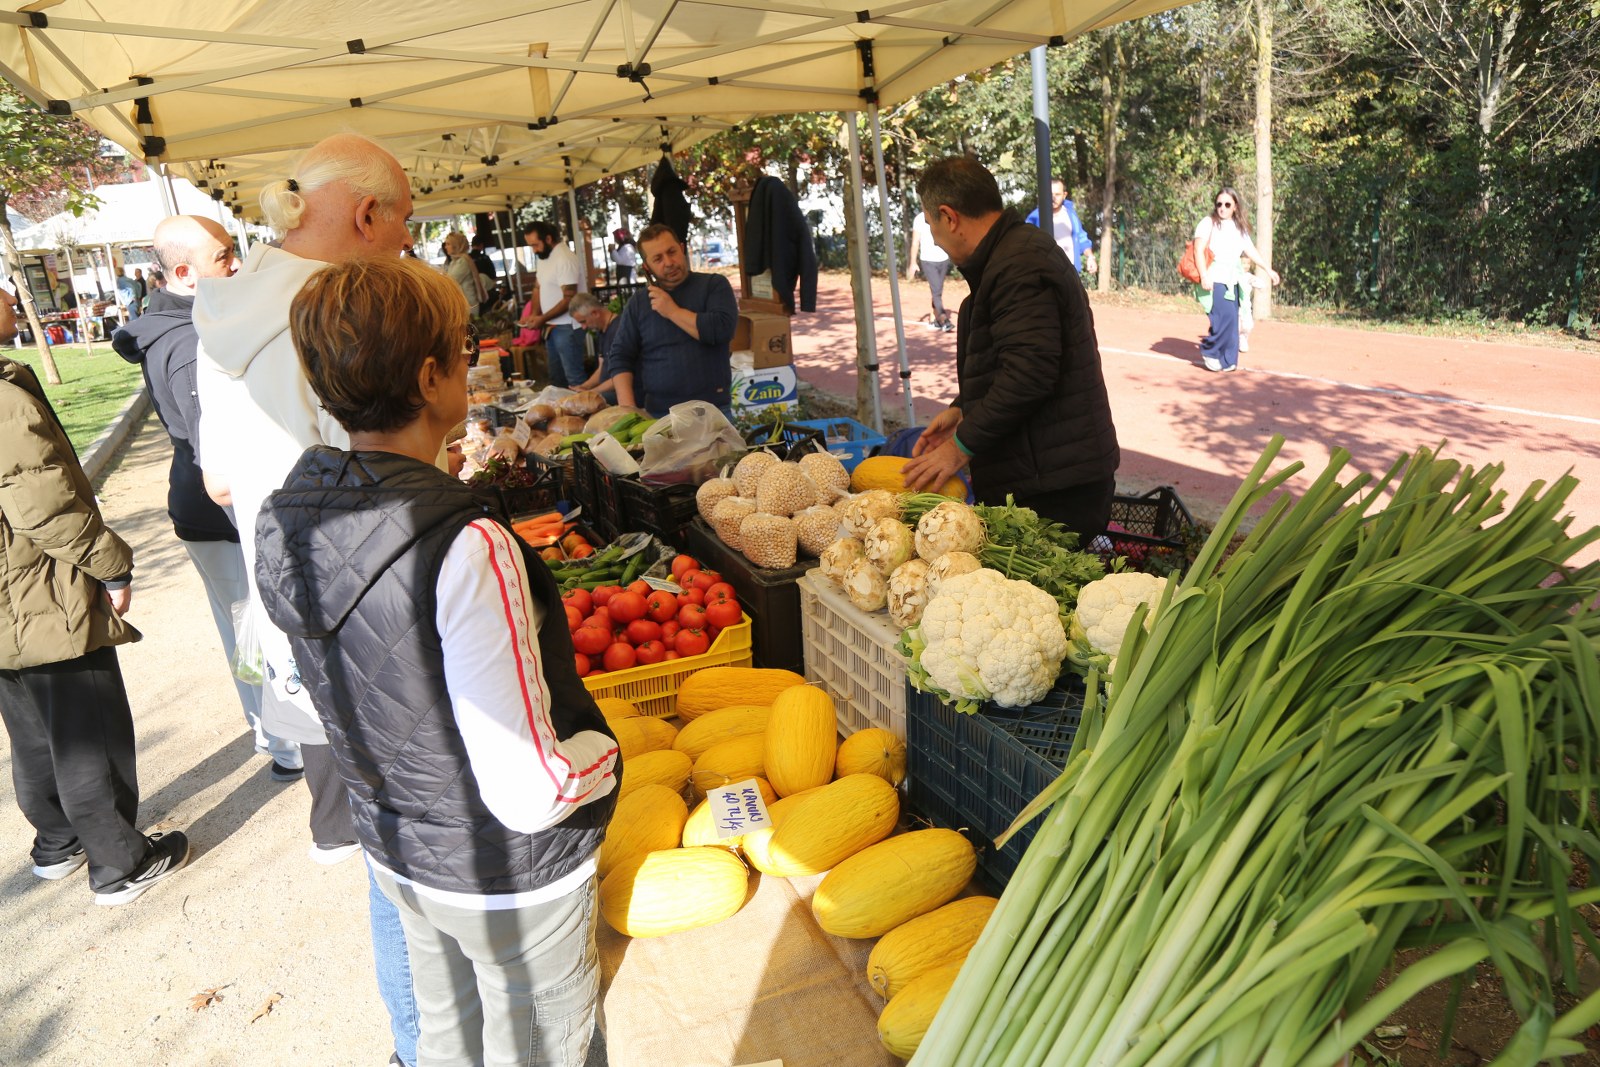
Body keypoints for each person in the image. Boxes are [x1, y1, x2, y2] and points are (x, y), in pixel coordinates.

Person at [255, 255, 619, 1066]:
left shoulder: (286, 515)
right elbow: (531, 790)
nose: (471, 362)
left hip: (402, 857)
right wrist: (607, 754)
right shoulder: (467, 543)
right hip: (508, 876)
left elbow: (346, 697)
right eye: (462, 352)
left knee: (449, 1046)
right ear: (429, 378)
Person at [192, 132, 422, 1067]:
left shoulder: (229, 307)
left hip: (298, 611)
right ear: (367, 215)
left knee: (386, 845)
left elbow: (219, 479)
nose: (406, 246)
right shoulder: (331, 314)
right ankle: (427, 1044)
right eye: (405, 226)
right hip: (364, 624)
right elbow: (372, 481)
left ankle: (421, 1040)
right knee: (407, 855)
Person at [0, 297, 192, 906]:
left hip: (10, 602)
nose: (12, 297)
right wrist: (112, 565)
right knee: (89, 730)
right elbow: (44, 508)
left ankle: (58, 842)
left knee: (31, 728)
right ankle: (120, 861)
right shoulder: (2, 400)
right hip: (42, 591)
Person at [111, 215, 303, 782]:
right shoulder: (189, 344)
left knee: (242, 626)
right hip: (221, 513)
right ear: (183, 273)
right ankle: (285, 739)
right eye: (224, 257)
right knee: (254, 627)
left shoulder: (181, 325)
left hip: (207, 509)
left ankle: (274, 734)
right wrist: (253, 526)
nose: (237, 264)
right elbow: (211, 453)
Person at [901, 156, 1120, 540]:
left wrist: (961, 446)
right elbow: (1009, 359)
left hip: (1055, 486)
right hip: (1043, 473)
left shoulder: (1019, 263)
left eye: (930, 222)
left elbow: (1029, 373)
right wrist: (962, 408)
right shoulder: (1008, 256)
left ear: (949, 217)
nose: (933, 237)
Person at [605, 223, 738, 416]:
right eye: (658, 258)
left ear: (682, 249)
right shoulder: (639, 303)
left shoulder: (713, 285)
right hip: (659, 413)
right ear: (646, 267)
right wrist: (629, 409)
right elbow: (620, 355)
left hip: (712, 411)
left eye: (672, 252)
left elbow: (720, 330)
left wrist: (672, 311)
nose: (668, 262)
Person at [1192, 187, 1279, 373]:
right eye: (1219, 204)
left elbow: (1250, 250)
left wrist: (1267, 270)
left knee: (1232, 321)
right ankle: (1210, 351)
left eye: (1227, 204)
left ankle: (1228, 360)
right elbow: (1198, 249)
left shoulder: (1239, 228)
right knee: (1222, 318)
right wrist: (1204, 276)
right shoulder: (1208, 223)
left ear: (1235, 207)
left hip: (1233, 280)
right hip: (1215, 278)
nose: (1222, 208)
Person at [520, 220, 586, 388]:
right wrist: (534, 314)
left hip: (567, 327)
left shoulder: (564, 258)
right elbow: (537, 287)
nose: (534, 250)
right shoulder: (544, 257)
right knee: (557, 381)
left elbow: (569, 298)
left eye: (535, 245)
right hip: (552, 327)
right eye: (531, 246)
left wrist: (541, 318)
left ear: (548, 239)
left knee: (575, 380)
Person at [1025, 177, 1098, 276]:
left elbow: (1082, 239)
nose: (1053, 198)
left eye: (1057, 194)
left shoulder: (1071, 216)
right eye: (1050, 194)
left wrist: (1090, 257)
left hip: (1071, 273)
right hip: (1045, 274)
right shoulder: (1035, 218)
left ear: (1064, 195)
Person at [907, 211, 955, 332]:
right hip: (928, 260)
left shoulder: (942, 217)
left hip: (943, 259)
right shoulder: (918, 219)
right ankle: (944, 319)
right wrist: (913, 262)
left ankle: (935, 320)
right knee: (936, 290)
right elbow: (915, 242)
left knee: (938, 291)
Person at [567, 291, 619, 401]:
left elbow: (622, 375)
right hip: (609, 390)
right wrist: (584, 387)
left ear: (595, 313)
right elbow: (602, 368)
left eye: (583, 321)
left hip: (621, 392)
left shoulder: (619, 330)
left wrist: (592, 392)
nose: (583, 327)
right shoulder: (602, 330)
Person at [439, 231, 484, 312]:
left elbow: (450, 281)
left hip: (468, 306)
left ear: (456, 246)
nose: (445, 247)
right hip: (463, 305)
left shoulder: (463, 261)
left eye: (448, 244)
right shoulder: (455, 261)